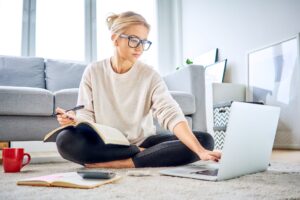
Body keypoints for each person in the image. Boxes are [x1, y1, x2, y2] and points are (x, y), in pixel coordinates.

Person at [55, 11, 221, 168]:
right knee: (65, 140)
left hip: (143, 142)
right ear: (115, 39)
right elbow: (86, 114)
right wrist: (76, 121)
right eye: (134, 40)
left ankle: (126, 162)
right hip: (106, 142)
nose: (140, 47)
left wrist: (200, 151)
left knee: (204, 141)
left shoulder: (150, 75)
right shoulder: (93, 71)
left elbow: (170, 112)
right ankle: (144, 156)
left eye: (144, 42)